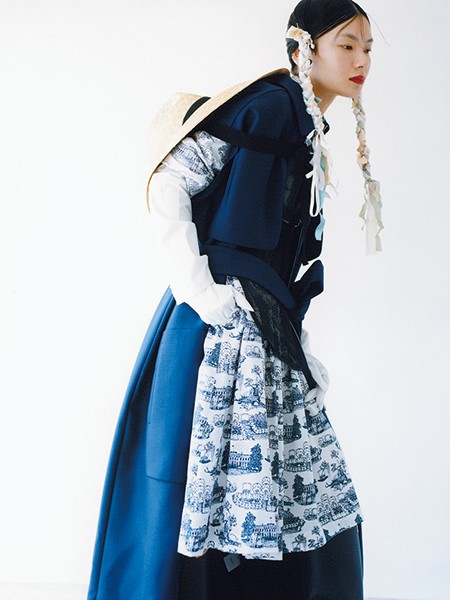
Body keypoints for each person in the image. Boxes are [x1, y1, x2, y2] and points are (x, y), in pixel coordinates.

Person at [86, 1, 383, 598]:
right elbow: (170, 178)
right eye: (347, 44)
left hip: (262, 318)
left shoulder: (302, 119)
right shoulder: (272, 106)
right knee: (210, 477)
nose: (361, 60)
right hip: (223, 320)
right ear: (304, 50)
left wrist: (296, 341)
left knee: (285, 477)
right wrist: (197, 289)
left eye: (368, 48)